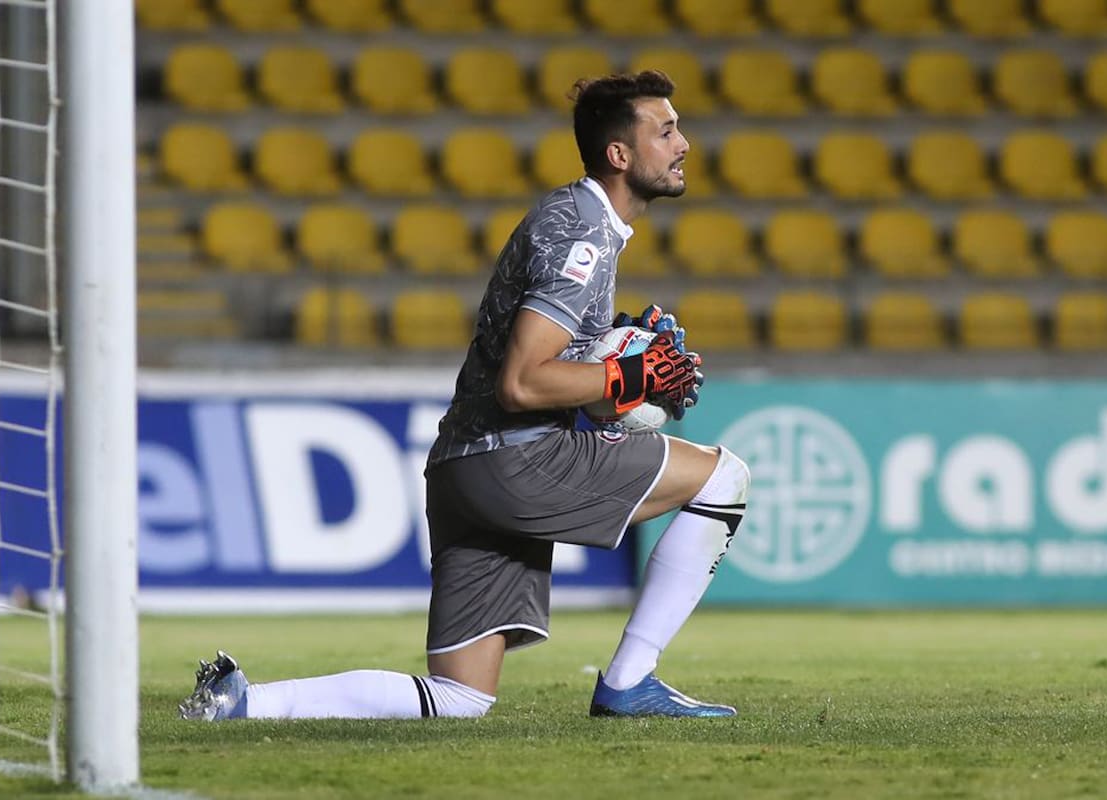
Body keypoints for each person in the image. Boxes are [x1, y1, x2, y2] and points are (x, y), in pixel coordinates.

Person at [178, 70, 751, 722]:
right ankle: (629, 680)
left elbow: (555, 370)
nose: (683, 143)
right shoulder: (583, 235)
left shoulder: (580, 222)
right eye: (667, 130)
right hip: (517, 459)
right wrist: (632, 376)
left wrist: (621, 340)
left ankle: (244, 703)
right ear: (620, 154)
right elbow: (524, 382)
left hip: (464, 465)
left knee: (459, 699)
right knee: (723, 478)